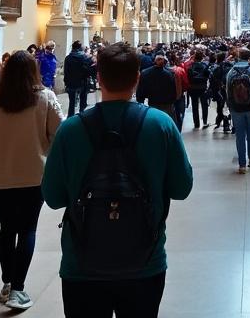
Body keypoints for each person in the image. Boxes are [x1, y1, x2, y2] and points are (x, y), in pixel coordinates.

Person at [42, 41, 193, 317]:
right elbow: (182, 188)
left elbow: (52, 198)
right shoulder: (161, 125)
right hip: (145, 259)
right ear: (137, 78)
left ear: (98, 78)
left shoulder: (71, 131)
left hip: (82, 261)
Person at [0, 49, 62, 311]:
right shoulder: (44, 97)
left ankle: (6, 283)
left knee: (7, 227)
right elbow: (60, 132)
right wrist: (45, 150)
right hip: (34, 173)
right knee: (27, 229)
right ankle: (18, 289)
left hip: (1, 174)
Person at [226, 51, 250, 173]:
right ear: (249, 57)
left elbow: (228, 91)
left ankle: (242, 164)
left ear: (238, 57)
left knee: (240, 135)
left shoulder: (231, 71)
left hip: (236, 107)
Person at [136, 55, 178, 120]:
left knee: (155, 120)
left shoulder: (145, 73)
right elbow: (173, 90)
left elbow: (141, 90)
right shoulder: (170, 73)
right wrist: (173, 99)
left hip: (153, 102)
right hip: (167, 103)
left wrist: (141, 101)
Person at [64, 41, 93, 117]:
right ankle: (81, 117)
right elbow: (87, 70)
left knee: (72, 103)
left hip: (71, 83)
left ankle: (70, 118)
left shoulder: (68, 58)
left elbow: (66, 71)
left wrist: (66, 82)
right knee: (82, 102)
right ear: (80, 48)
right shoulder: (84, 57)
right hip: (82, 82)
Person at [185, 50, 211, 129]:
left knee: (194, 106)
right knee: (204, 105)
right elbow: (208, 76)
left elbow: (188, 77)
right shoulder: (205, 65)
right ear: (202, 58)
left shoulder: (190, 66)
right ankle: (205, 122)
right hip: (203, 87)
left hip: (193, 88)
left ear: (195, 57)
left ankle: (196, 124)